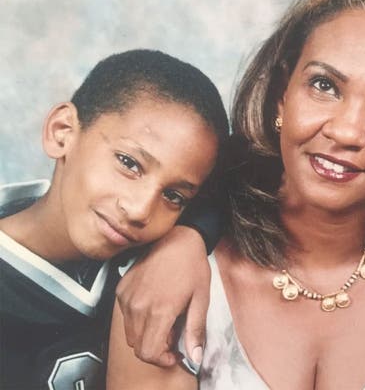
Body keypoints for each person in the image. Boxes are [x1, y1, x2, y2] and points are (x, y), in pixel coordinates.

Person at [106, 0, 365, 389]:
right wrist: (187, 238)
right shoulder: (175, 275)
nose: (346, 132)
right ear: (281, 95)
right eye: (324, 85)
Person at [0, 49, 228, 389]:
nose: (139, 210)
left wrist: (190, 237)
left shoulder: (151, 248)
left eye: (174, 196)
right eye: (129, 163)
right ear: (62, 132)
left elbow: (253, 174)